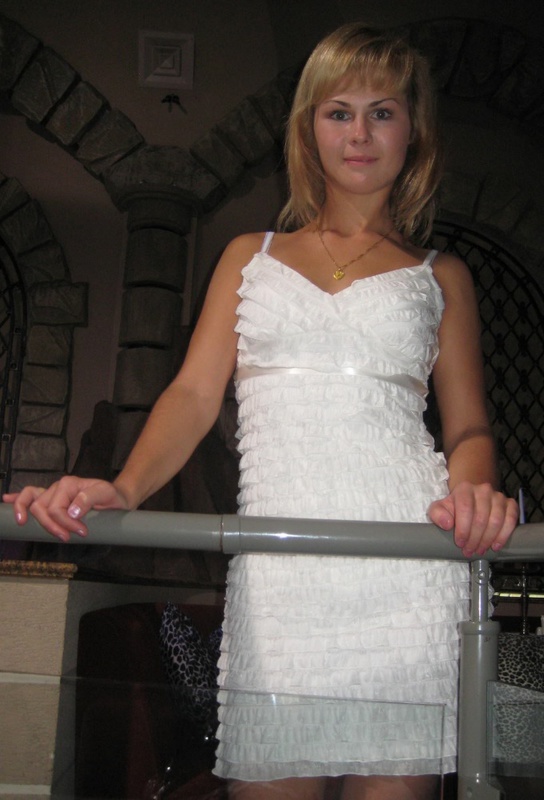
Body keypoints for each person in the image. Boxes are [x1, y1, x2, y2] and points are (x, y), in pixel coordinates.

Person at [5, 22, 518, 800]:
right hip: (279, 579)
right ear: (309, 129)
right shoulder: (251, 255)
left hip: (407, 574)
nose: (359, 133)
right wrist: (126, 487)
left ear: (413, 130)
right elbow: (192, 394)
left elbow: (469, 425)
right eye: (339, 111)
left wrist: (476, 488)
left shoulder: (441, 275)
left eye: (382, 112)